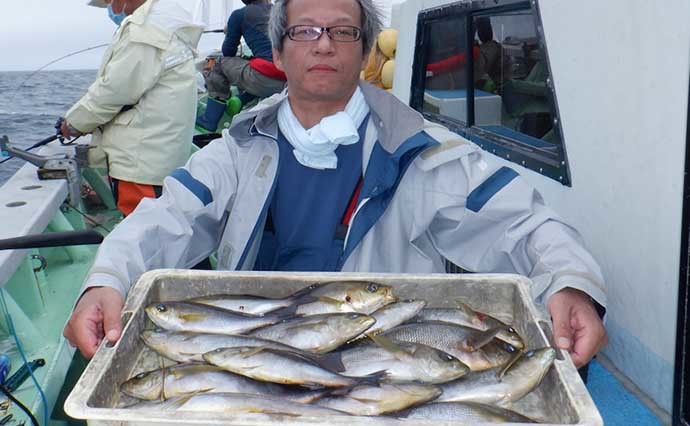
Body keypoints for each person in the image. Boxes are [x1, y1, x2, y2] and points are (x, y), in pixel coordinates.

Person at [64, 0, 608, 369]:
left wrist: (570, 283)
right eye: (304, 31)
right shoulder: (237, 149)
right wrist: (106, 280)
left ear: (367, 50)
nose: (323, 45)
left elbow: (525, 222)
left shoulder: (422, 153)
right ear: (277, 53)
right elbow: (167, 218)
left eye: (343, 31)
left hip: (380, 366)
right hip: (257, 356)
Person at [59, 0, 203, 216]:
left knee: (146, 237)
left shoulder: (145, 31)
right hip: (159, 156)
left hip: (141, 164)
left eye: (109, 1)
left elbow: (113, 92)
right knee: (161, 230)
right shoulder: (166, 25)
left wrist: (73, 124)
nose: (110, 8)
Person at [195, 0, 287, 131]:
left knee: (217, 63)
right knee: (253, 64)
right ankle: (241, 99)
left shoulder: (239, 15)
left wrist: (230, 30)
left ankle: (209, 120)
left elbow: (228, 52)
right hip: (291, 80)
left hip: (267, 77)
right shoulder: (282, 11)